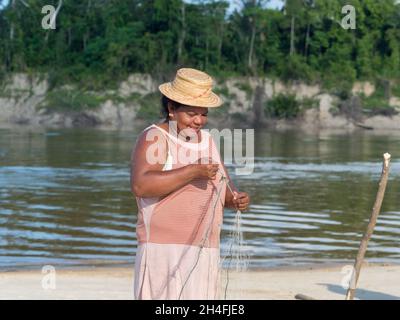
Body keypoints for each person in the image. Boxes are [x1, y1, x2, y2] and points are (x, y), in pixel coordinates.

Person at [130, 68, 250, 300]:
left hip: (204, 250)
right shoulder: (155, 137)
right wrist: (192, 171)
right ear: (171, 109)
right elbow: (141, 185)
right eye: (191, 114)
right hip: (163, 251)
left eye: (203, 114)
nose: (199, 121)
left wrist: (238, 199)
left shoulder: (208, 141)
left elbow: (225, 193)